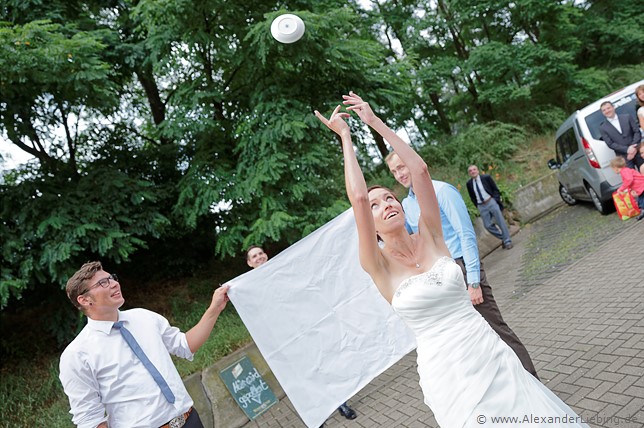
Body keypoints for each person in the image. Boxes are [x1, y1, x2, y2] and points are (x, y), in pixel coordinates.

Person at [315, 91, 588, 428]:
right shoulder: (377, 265)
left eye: (389, 197)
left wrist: (374, 123)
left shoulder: (431, 235)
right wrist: (346, 137)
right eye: (376, 205)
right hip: (448, 375)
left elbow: (419, 169)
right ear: (368, 225)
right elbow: (357, 197)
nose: (387, 203)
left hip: (487, 351)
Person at [385, 152, 537, 377]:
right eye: (394, 171)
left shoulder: (442, 191)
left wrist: (473, 281)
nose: (399, 174)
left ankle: (535, 384)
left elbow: (465, 234)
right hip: (438, 278)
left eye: (402, 167)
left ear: (413, 163)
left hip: (462, 269)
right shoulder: (407, 205)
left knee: (497, 330)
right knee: (470, 342)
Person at [59, 261, 230, 428]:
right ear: (84, 300)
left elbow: (184, 345)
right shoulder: (76, 355)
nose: (114, 284)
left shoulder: (144, 317)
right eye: (103, 283)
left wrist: (215, 308)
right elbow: (89, 419)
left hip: (190, 420)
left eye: (112, 278)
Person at [245, 246, 358, 422]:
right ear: (249, 263)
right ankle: (316, 415)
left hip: (301, 328)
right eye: (254, 256)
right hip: (280, 337)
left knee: (321, 365)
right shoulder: (247, 289)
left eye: (261, 253)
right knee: (301, 377)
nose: (259, 257)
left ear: (266, 255)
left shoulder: (280, 271)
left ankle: (341, 404)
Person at [466, 165, 513, 250]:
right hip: (481, 205)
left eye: (474, 169)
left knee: (500, 222)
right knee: (487, 225)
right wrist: (477, 205)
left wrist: (495, 199)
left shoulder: (486, 178)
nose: (472, 171)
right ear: (469, 173)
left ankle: (508, 241)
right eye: (470, 171)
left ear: (478, 170)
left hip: (490, 201)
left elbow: (495, 189)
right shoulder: (469, 184)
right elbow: (472, 196)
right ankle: (504, 237)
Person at [599, 100, 641, 169]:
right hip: (623, 157)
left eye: (608, 108)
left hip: (637, 151)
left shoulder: (627, 117)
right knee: (631, 178)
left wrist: (633, 147)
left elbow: (636, 131)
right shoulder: (603, 128)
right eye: (604, 110)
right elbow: (610, 144)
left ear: (613, 107)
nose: (607, 111)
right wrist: (627, 149)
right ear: (602, 113)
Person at [610, 157, 644, 221]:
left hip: (641, 186)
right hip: (641, 186)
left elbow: (629, 180)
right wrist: (630, 189)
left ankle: (642, 211)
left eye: (612, 169)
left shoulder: (624, 171)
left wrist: (621, 189)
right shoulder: (626, 170)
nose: (613, 171)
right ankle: (642, 210)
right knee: (641, 199)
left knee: (641, 200)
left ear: (615, 168)